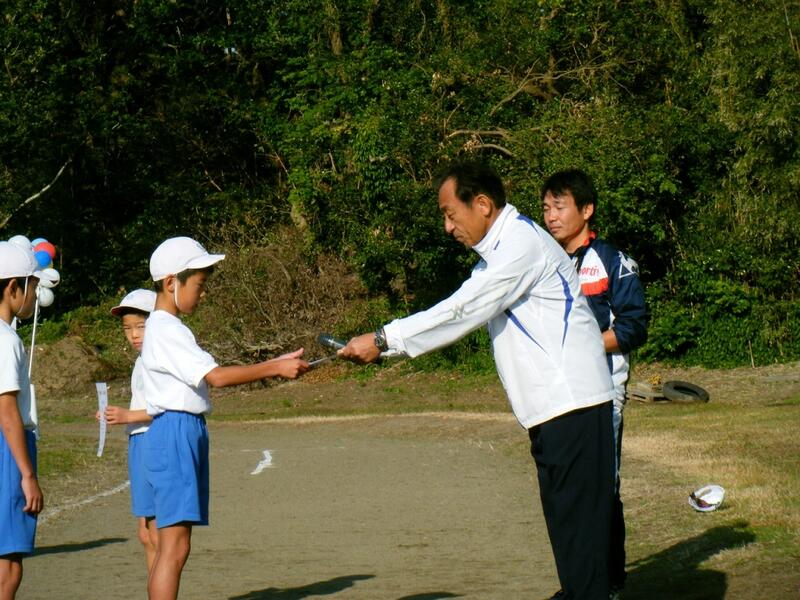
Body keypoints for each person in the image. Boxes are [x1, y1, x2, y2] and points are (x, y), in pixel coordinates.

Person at [339, 162, 617, 599]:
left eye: (451, 214)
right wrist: (385, 347)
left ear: (483, 204)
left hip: (572, 406)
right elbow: (461, 308)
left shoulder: (521, 244)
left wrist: (382, 339)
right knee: (571, 536)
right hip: (558, 412)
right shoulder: (499, 255)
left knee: (580, 540)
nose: (448, 227)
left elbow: (460, 310)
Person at [140, 236, 310, 600]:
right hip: (176, 432)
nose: (203, 294)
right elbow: (216, 377)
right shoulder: (167, 329)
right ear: (171, 283)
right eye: (199, 284)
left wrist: (275, 362)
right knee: (174, 547)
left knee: (173, 545)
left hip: (178, 431)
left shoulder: (165, 328)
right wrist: (275, 368)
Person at [542, 169, 648, 597]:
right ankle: (580, 585)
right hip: (559, 396)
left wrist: (579, 344)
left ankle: (609, 584)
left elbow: (634, 327)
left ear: (587, 210)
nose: (551, 216)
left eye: (559, 206)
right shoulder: (544, 260)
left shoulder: (611, 260)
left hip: (604, 393)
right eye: (545, 208)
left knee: (603, 488)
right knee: (570, 492)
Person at [97, 289, 158, 573]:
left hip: (154, 441)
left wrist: (128, 416)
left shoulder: (160, 358)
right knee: (145, 534)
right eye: (127, 328)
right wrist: (115, 415)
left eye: (140, 326)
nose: (134, 335)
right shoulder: (140, 361)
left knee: (158, 534)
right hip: (138, 440)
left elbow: (171, 406)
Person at [0, 242, 43, 599]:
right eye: (34, 287)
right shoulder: (6, 340)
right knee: (8, 564)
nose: (35, 296)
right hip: (8, 452)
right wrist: (27, 475)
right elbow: (7, 410)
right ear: (14, 287)